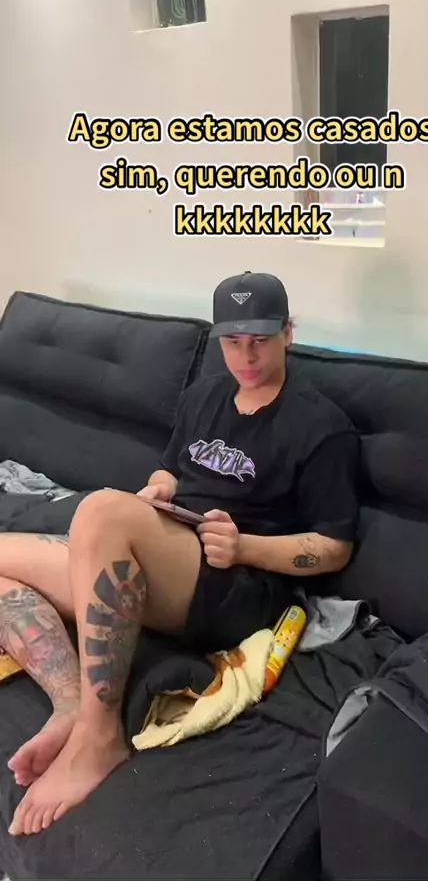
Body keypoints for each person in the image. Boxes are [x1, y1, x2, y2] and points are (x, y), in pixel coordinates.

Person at [0, 270, 359, 837]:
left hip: (239, 584)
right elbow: (173, 468)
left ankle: (99, 736)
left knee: (99, 510)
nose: (246, 356)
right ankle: (69, 703)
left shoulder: (320, 427)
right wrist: (159, 489)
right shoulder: (205, 396)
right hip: (174, 552)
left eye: (261, 340)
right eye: (233, 341)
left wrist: (244, 546)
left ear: (288, 333)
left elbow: (333, 549)